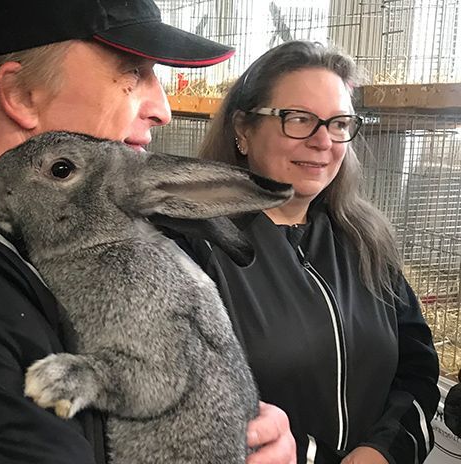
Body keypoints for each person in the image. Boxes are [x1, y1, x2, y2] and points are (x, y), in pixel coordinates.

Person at [0, 1, 296, 463]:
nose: (161, 109)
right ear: (23, 93)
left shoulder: (68, 220)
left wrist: (235, 427)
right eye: (134, 72)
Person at [174, 40, 440, 464]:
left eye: (338, 123)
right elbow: (192, 403)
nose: (323, 141)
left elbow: (417, 369)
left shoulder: (364, 239)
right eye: (298, 119)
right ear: (243, 129)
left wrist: (385, 450)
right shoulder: (193, 247)